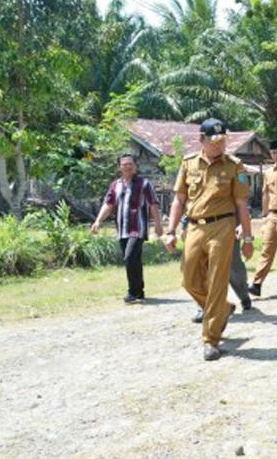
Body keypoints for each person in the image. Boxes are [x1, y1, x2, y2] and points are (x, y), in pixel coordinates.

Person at [165, 118, 254, 361]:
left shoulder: (235, 166)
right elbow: (179, 200)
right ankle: (223, 308)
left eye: (222, 141)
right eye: (214, 142)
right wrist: (171, 230)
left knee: (217, 282)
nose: (219, 146)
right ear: (201, 140)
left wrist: (247, 238)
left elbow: (241, 205)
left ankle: (211, 339)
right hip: (193, 227)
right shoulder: (188, 164)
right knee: (189, 279)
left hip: (222, 227)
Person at [91, 153, 163, 304]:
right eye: (124, 164)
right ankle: (139, 292)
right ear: (119, 167)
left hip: (138, 228)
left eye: (130, 164)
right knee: (133, 260)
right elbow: (109, 204)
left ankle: (132, 292)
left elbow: (153, 205)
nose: (127, 167)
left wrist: (158, 225)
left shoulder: (144, 184)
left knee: (129, 257)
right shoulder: (115, 185)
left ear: (136, 167)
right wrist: (98, 221)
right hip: (122, 229)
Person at [248, 139, 277, 296]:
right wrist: (265, 215)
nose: (276, 155)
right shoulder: (268, 172)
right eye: (273, 153)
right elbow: (265, 194)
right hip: (273, 215)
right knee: (267, 250)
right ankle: (257, 284)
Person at [190, 217, 254, 323]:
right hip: (201, 231)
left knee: (234, 269)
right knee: (202, 270)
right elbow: (187, 208)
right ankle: (203, 306)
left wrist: (243, 225)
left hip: (227, 228)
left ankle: (243, 295)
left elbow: (241, 205)